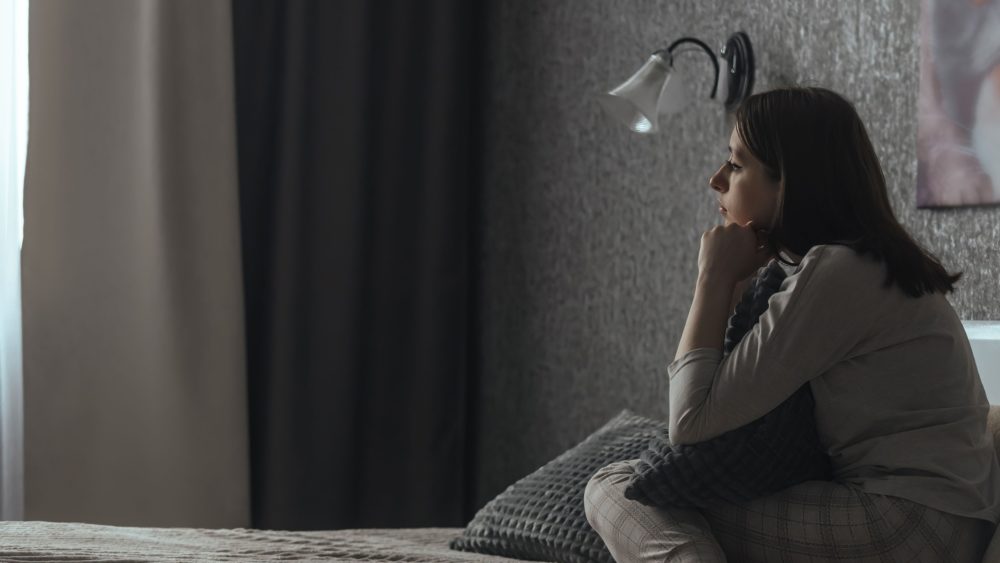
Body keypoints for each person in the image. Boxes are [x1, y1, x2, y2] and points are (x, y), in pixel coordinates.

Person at [583, 86, 1000, 562]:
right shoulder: (859, 266)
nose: (715, 179)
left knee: (618, 487)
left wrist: (713, 279)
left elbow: (690, 420)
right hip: (945, 522)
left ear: (789, 184)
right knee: (633, 484)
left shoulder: (837, 273)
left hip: (909, 525)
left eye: (737, 165)